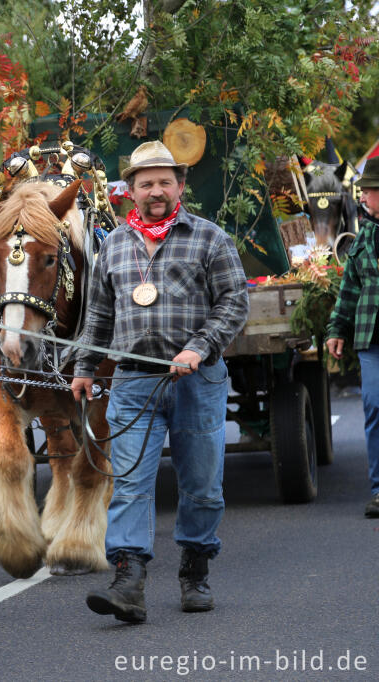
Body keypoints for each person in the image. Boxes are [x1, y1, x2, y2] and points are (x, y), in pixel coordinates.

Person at [70, 140, 249, 623]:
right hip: (132, 384)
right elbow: (99, 314)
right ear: (129, 191)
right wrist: (84, 367)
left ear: (180, 186)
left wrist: (199, 347)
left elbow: (234, 302)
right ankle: (128, 580)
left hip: (197, 381)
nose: (155, 191)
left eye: (164, 182)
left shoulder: (210, 238)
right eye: (145, 183)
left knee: (202, 487)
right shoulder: (113, 245)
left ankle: (195, 568)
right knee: (129, 484)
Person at [326, 156, 379, 518]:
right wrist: (336, 329)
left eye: (373, 191)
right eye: (370, 192)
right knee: (375, 406)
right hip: (371, 340)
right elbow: (349, 289)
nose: (370, 197)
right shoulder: (363, 238)